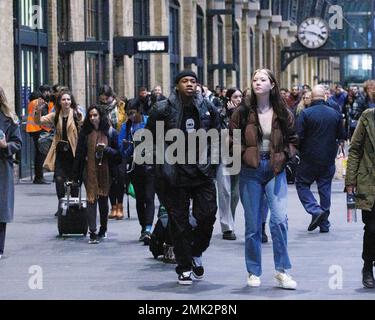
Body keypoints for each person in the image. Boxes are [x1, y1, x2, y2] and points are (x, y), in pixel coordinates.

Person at [146, 70, 220, 285]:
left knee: (207, 217)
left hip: (202, 173)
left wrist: (213, 163)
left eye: (193, 81)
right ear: (177, 85)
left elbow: (217, 135)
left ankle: (196, 252)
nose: (189, 84)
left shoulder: (207, 108)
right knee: (178, 223)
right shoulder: (162, 109)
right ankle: (185, 266)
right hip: (174, 176)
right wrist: (157, 167)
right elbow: (149, 139)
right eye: (185, 81)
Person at [229, 68, 298, 289]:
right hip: (251, 169)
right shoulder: (241, 112)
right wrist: (243, 155)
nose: (257, 82)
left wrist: (285, 155)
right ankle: (253, 271)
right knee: (253, 225)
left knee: (279, 221)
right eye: (254, 79)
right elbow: (231, 138)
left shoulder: (283, 111)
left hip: (275, 168)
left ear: (272, 85)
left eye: (263, 79)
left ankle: (282, 270)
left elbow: (294, 139)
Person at [295, 85, 346, 233]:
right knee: (325, 189)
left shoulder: (305, 114)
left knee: (302, 184)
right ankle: (324, 223)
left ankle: (315, 210)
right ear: (325, 96)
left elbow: (299, 136)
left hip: (309, 158)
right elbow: (341, 136)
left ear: (311, 97)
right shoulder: (335, 114)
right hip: (328, 158)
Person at [73, 106, 120, 244]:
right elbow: (79, 154)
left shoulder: (110, 132)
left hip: (106, 171)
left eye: (95, 115)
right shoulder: (85, 133)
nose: (93, 118)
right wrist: (75, 175)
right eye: (91, 115)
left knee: (103, 201)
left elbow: (118, 155)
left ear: (101, 116)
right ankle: (92, 231)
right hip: (89, 171)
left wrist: (107, 150)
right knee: (91, 199)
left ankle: (103, 229)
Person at [34, 90, 84, 216]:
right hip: (60, 153)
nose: (66, 102)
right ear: (60, 102)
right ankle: (61, 204)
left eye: (68, 99)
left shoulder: (77, 114)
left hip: (74, 152)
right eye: (63, 99)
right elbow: (38, 121)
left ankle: (73, 205)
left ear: (71, 101)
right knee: (59, 179)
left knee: (74, 180)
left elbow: (84, 124)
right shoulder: (55, 115)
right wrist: (38, 110)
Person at [345, 107, 375, 288]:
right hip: (369, 182)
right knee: (371, 228)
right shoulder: (368, 116)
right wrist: (350, 181)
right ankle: (367, 266)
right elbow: (355, 149)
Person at [118, 109, 155, 245]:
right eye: (128, 114)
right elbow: (122, 150)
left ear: (139, 111)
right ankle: (143, 227)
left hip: (150, 165)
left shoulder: (149, 121)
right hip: (135, 167)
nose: (131, 116)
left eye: (133, 113)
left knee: (149, 197)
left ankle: (148, 229)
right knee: (140, 198)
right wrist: (129, 146)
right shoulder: (125, 127)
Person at [98, 85, 128, 219]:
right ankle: (113, 206)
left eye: (106, 98)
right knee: (109, 177)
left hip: (121, 143)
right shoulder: (99, 109)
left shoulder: (121, 106)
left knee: (120, 177)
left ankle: (120, 205)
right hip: (106, 142)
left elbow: (127, 122)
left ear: (111, 96)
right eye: (102, 99)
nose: (104, 101)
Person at [216, 88, 242, 241]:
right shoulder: (220, 114)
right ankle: (227, 227)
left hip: (239, 155)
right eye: (235, 96)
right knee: (225, 191)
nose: (239, 99)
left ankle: (230, 219)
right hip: (223, 155)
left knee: (235, 194)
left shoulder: (245, 114)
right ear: (228, 99)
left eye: (240, 96)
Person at [0, 87, 22, 259]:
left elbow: (18, 143)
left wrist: (6, 146)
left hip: (2, 167)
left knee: (1, 211)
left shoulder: (9, 119)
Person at [26, 85, 53, 184]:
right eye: (47, 91)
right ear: (44, 92)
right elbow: (44, 118)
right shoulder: (41, 102)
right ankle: (39, 177)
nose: (49, 94)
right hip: (40, 130)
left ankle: (38, 176)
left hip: (32, 129)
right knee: (40, 154)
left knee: (38, 154)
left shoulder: (32, 102)